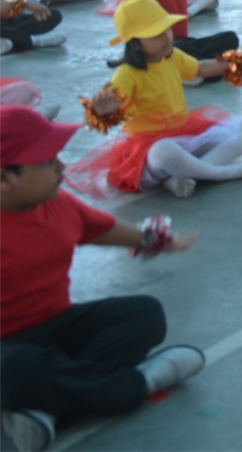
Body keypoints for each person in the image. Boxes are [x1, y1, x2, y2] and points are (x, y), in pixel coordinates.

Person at [0, 107, 205, 452]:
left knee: (144, 314)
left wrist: (154, 240)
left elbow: (99, 229)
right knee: (17, 370)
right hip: (8, 347)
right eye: (47, 162)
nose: (61, 167)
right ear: (5, 179)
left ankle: (48, 408)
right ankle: (139, 383)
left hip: (58, 325)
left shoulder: (57, 204)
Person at [66, 0, 242, 199]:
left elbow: (202, 67)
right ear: (136, 44)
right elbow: (107, 112)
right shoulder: (126, 74)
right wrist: (100, 111)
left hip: (183, 133)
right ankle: (220, 174)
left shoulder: (171, 56)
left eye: (166, 29)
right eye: (156, 34)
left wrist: (238, 61)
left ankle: (182, 176)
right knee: (164, 152)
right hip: (148, 151)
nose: (167, 37)